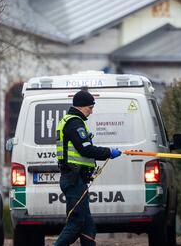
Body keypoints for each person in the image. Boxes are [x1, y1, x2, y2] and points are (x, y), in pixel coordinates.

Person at [54, 88, 122, 246]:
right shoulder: (74, 123)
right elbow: (85, 149)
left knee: (88, 226)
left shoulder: (73, 121)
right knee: (76, 223)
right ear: (81, 106)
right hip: (73, 179)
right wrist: (108, 152)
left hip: (76, 179)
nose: (91, 111)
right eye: (90, 108)